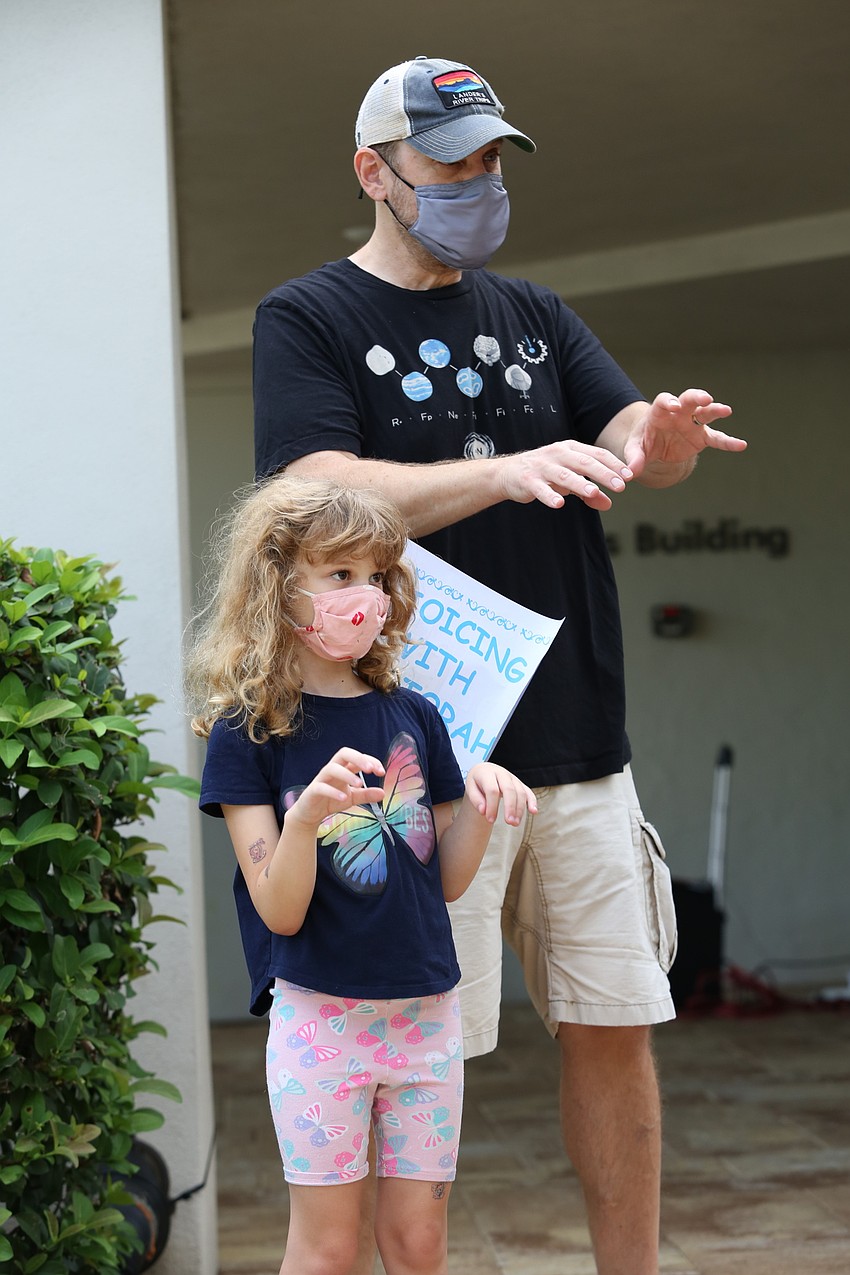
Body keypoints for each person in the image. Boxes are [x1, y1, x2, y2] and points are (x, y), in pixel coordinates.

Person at [251, 56, 748, 1275]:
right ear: (375, 172)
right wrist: (498, 471)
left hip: (579, 751)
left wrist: (654, 434)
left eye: (489, 161)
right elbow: (311, 490)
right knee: (404, 1055)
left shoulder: (536, 315)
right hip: (417, 763)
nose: (477, 183)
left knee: (613, 1028)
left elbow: (628, 441)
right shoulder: (308, 319)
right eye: (449, 162)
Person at [189, 475, 537, 1275]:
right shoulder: (248, 734)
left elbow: (443, 880)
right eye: (340, 573)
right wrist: (306, 816)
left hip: (425, 1017)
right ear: (280, 586)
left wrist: (482, 806)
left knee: (418, 1243)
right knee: (327, 1247)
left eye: (377, 576)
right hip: (321, 1022)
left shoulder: (415, 714)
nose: (366, 595)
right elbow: (279, 911)